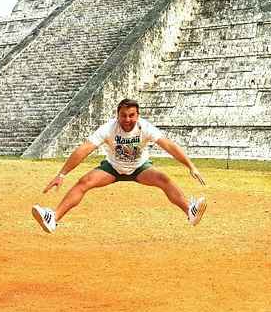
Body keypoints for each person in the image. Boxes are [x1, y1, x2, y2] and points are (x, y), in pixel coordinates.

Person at [31, 98, 206, 233]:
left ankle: (190, 212)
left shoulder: (145, 127)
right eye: (124, 115)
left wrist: (191, 166)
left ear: (138, 116)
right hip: (113, 168)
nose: (127, 119)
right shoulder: (109, 128)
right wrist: (62, 174)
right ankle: (53, 218)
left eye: (132, 115)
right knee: (83, 182)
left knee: (164, 179)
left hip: (139, 167)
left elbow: (168, 145)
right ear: (117, 115)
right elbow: (84, 149)